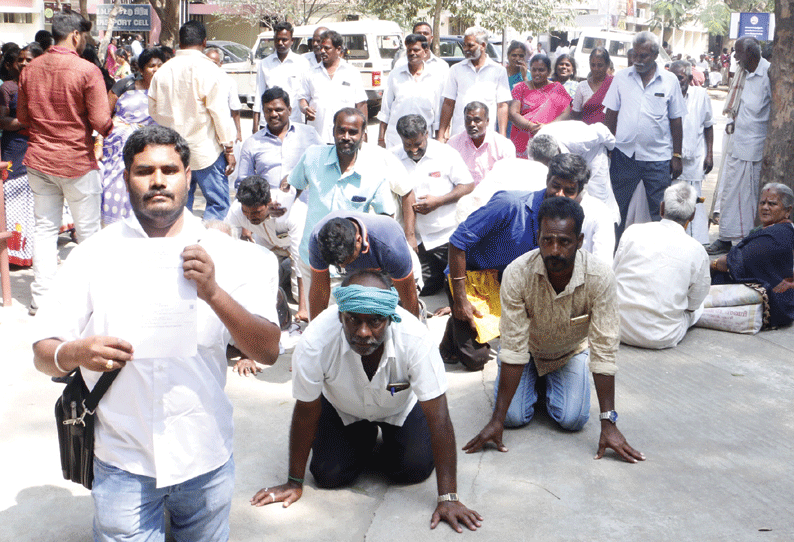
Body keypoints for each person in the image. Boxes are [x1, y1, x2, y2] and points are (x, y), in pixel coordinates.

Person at [32, 125, 281, 541]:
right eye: (144, 170)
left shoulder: (234, 257)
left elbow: (268, 350)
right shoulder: (95, 254)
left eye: (170, 169)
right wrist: (78, 351)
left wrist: (213, 293)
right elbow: (43, 351)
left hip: (204, 457)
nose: (159, 180)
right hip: (123, 460)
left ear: (189, 175)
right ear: (126, 178)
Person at [251, 270, 482, 533]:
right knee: (329, 476)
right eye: (352, 320)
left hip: (400, 408)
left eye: (374, 321)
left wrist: (448, 498)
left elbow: (439, 417)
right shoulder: (315, 341)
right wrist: (294, 481)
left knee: (412, 471)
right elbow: (306, 411)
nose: (362, 332)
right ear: (340, 315)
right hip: (342, 409)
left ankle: (379, 438)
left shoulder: (416, 340)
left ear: (390, 318)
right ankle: (363, 434)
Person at [463, 197, 645, 464]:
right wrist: (496, 420)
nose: (554, 250)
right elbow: (514, 347)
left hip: (569, 353)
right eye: (547, 240)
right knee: (513, 418)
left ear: (580, 241)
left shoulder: (600, 278)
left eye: (564, 241)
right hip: (527, 351)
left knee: (572, 420)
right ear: (537, 237)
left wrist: (609, 423)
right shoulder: (517, 274)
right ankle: (531, 383)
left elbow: (605, 351)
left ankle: (546, 382)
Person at [442, 154, 596, 371]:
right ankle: (457, 324)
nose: (560, 195)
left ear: (579, 194)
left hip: (505, 281)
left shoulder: (567, 222)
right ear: (547, 181)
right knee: (476, 359)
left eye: (569, 190)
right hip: (470, 275)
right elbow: (457, 242)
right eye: (556, 186)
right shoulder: (509, 204)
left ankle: (458, 331)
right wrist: (459, 300)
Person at [18, 9, 113, 315]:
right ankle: (92, 300)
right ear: (75, 35)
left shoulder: (29, 70)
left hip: (39, 160)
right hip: (76, 162)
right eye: (83, 35)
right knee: (88, 234)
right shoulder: (86, 71)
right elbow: (101, 121)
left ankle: (41, 299)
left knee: (45, 230)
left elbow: (22, 118)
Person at [288, 107, 399, 297]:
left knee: (346, 321)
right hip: (311, 259)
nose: (346, 136)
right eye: (341, 130)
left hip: (350, 266)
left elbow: (386, 217)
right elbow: (292, 188)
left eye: (353, 132)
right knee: (317, 322)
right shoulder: (312, 157)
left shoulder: (374, 172)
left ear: (363, 134)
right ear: (333, 131)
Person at [149, 20, 237, 222]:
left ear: (180, 41)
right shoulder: (209, 69)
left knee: (178, 206)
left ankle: (180, 247)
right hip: (205, 151)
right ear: (204, 42)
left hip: (173, 151)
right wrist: (229, 148)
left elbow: (153, 110)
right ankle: (210, 247)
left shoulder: (163, 71)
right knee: (218, 204)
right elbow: (220, 113)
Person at [603, 31, 685, 238]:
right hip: (624, 156)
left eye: (643, 56)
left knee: (660, 213)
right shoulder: (621, 77)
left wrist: (677, 155)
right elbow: (611, 114)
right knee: (616, 210)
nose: (637, 60)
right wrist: (607, 148)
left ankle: (661, 257)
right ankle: (614, 256)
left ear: (656, 55)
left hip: (658, 159)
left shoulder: (670, 80)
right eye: (634, 55)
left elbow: (676, 120)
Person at [613, 182, 710, 348]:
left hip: (617, 327)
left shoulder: (633, 232)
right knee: (699, 306)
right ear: (692, 215)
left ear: (662, 208)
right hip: (661, 336)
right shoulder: (698, 250)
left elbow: (614, 273)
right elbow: (693, 304)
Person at [395, 114, 474, 296]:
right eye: (408, 145)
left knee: (457, 284)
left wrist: (440, 201)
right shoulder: (393, 157)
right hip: (417, 240)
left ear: (426, 133)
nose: (414, 150)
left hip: (445, 235)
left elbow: (468, 185)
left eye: (418, 144)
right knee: (424, 288)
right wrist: (409, 235)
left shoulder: (446, 154)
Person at [706, 37, 770, 256]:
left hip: (755, 148)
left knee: (751, 199)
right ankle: (725, 238)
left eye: (738, 53)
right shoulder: (743, 74)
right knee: (729, 193)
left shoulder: (768, 74)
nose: (734, 57)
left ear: (751, 54)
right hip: (736, 143)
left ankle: (748, 241)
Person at [224, 174, 309, 321]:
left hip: (298, 247)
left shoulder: (291, 211)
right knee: (259, 288)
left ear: (269, 203)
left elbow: (300, 259)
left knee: (296, 296)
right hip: (265, 244)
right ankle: (282, 269)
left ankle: (287, 269)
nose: (250, 217)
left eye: (256, 212)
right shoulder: (237, 210)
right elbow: (225, 244)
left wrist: (303, 308)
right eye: (246, 212)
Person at [711, 184, 794, 328]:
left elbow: (735, 262)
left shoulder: (778, 234)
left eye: (772, 204)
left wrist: (712, 264)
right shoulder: (771, 229)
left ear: (788, 211)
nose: (765, 207)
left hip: (775, 304)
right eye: (762, 203)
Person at [308, 211, 419, 318]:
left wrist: (414, 330)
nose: (341, 267)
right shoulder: (319, 240)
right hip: (357, 275)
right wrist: (315, 332)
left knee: (393, 315)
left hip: (394, 271)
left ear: (359, 240)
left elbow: (409, 297)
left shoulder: (390, 246)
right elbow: (319, 293)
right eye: (337, 263)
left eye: (346, 260)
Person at [99, 47, 165, 226]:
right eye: (152, 66)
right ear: (142, 69)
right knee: (116, 183)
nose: (156, 70)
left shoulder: (167, 91)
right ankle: (113, 225)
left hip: (149, 146)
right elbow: (103, 114)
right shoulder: (124, 85)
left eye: (160, 65)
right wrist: (98, 143)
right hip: (118, 147)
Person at [238, 86, 322, 203]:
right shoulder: (252, 143)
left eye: (278, 110)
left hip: (305, 208)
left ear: (289, 110)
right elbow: (243, 182)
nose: (273, 114)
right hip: (269, 211)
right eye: (268, 110)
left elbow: (325, 166)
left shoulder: (309, 135)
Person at [0, 44, 43, 267]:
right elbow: (2, 121)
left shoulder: (45, 85)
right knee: (14, 199)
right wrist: (27, 123)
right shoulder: (8, 87)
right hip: (16, 149)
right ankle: (15, 254)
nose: (25, 63)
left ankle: (33, 252)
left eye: (29, 59)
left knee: (37, 202)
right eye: (21, 60)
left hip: (40, 148)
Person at [455, 134, 555, 223]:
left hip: (471, 215)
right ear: (552, 158)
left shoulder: (503, 164)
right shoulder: (546, 177)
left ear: (529, 153)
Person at [437, 26, 511, 141]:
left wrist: (502, 136)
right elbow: (448, 103)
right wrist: (441, 135)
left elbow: (502, 105)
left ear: (483, 46)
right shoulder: (456, 69)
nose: (465, 48)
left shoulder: (498, 71)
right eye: (464, 45)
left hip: (487, 137)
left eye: (470, 45)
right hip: (460, 134)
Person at [668, 60, 713, 244]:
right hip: (671, 160)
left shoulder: (701, 95)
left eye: (680, 78)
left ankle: (697, 242)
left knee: (694, 200)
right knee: (673, 200)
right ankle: (674, 241)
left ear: (689, 77)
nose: (677, 82)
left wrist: (709, 154)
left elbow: (709, 126)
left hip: (694, 160)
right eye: (673, 78)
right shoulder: (667, 95)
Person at [377, 34, 446, 149]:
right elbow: (385, 110)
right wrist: (380, 139)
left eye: (416, 50)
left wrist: (439, 140)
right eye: (409, 50)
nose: (412, 53)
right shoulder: (395, 75)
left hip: (422, 141)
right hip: (395, 140)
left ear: (425, 51)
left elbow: (437, 113)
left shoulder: (435, 78)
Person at [298, 30, 368, 143]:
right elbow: (302, 99)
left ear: (338, 49)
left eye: (327, 48)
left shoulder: (352, 72)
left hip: (345, 139)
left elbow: (361, 104)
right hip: (317, 137)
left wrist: (363, 133)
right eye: (321, 48)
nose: (322, 51)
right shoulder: (310, 73)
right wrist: (305, 109)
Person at [509, 54, 571, 159]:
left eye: (541, 70)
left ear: (548, 71)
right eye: (534, 70)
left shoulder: (557, 88)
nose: (537, 73)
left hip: (548, 139)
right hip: (522, 140)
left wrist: (547, 127)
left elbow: (567, 113)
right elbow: (513, 113)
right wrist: (530, 126)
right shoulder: (521, 88)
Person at [253, 21, 308, 131]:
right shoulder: (264, 64)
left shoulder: (302, 63)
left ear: (292, 41)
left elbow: (305, 95)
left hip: (294, 121)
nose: (280, 43)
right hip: (269, 120)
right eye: (277, 39)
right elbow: (259, 94)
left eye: (284, 39)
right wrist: (255, 126)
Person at [447, 101, 515, 185]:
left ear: (487, 121)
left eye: (477, 120)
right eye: (468, 120)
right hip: (461, 194)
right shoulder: (453, 144)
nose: (472, 124)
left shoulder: (504, 146)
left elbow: (508, 178)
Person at [205, 46, 243, 144]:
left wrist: (238, 132)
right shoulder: (197, 80)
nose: (210, 66)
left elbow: (235, 108)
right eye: (206, 62)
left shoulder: (228, 82)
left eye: (213, 63)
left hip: (223, 132)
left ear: (221, 64)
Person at [571, 47, 613, 125]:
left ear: (607, 65)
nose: (596, 69)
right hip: (586, 133)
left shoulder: (614, 84)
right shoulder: (582, 86)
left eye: (600, 65)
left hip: (608, 132)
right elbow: (575, 114)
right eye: (593, 65)